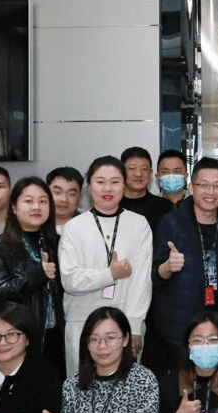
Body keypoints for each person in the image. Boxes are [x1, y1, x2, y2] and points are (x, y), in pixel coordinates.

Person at [58, 156, 154, 374]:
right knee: (83, 385)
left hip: (124, 325)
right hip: (82, 323)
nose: (107, 188)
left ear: (124, 185)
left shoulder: (138, 224)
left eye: (115, 182)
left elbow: (142, 281)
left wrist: (134, 327)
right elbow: (70, 280)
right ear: (89, 185)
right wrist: (110, 274)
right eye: (100, 182)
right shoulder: (74, 227)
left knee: (125, 388)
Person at [151, 157, 218, 369]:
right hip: (181, 322)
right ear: (191, 187)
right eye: (204, 185)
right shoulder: (171, 223)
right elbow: (156, 276)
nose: (210, 192)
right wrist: (167, 267)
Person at [0, 176, 64, 379]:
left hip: (55, 335)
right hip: (19, 336)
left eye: (43, 201)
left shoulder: (58, 243)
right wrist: (38, 275)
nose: (36, 207)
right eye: (28, 201)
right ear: (14, 207)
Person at [44, 307, 160, 413]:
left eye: (110, 338)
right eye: (94, 339)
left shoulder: (143, 380)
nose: (102, 346)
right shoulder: (72, 384)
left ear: (125, 339)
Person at [119, 145, 174, 228]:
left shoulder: (166, 207)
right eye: (132, 168)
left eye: (144, 169)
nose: (138, 174)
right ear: (121, 172)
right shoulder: (112, 206)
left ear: (151, 173)